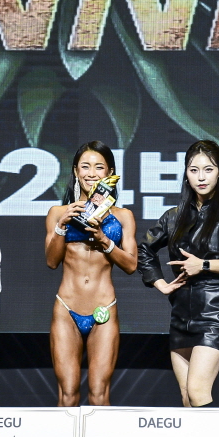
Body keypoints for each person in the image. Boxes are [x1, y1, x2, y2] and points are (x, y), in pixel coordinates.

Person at [138, 139, 219, 408]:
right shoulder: (173, 216)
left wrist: (203, 265)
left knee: (197, 391)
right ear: (186, 173)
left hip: (215, 309)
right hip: (181, 311)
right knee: (186, 398)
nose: (201, 177)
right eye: (194, 170)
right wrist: (160, 283)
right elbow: (144, 249)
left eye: (208, 169)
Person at [44, 142, 138, 406]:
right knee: (68, 394)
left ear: (110, 173)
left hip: (103, 309)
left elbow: (131, 265)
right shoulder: (58, 213)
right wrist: (62, 226)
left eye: (99, 167)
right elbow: (51, 261)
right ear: (76, 171)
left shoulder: (123, 216)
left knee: (99, 394)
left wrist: (104, 240)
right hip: (67, 309)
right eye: (85, 166)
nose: (91, 173)